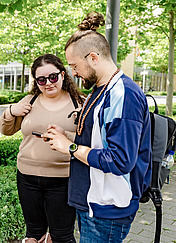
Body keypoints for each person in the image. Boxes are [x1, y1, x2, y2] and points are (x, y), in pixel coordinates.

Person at [45, 12, 152, 242]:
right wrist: (68, 136)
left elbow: (120, 160)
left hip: (108, 209)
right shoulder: (100, 89)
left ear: (93, 57)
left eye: (74, 65)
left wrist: (70, 148)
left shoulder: (123, 95)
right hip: (93, 203)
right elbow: (100, 138)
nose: (73, 73)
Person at [0, 54, 84, 243]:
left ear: (63, 75)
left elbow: (89, 142)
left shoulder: (79, 103)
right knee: (33, 234)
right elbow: (6, 130)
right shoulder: (29, 101)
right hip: (27, 179)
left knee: (62, 236)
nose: (48, 83)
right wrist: (11, 111)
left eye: (53, 77)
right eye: (41, 80)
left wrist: (66, 137)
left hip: (63, 180)